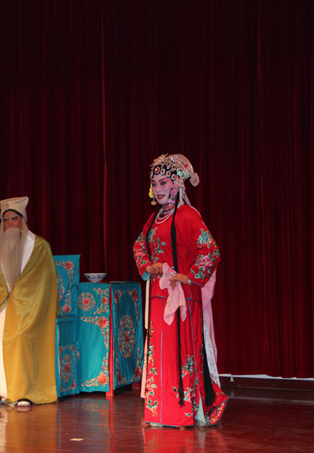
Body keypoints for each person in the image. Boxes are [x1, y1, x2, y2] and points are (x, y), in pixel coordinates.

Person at [133, 154, 228, 427]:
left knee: (182, 352)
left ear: (177, 184)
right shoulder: (153, 219)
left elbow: (210, 250)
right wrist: (148, 266)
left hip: (183, 297)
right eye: (154, 183)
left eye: (163, 182)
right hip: (158, 296)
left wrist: (189, 277)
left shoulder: (188, 215)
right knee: (160, 354)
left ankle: (185, 411)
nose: (158, 189)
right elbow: (139, 245)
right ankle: (161, 412)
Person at [0, 196, 59, 406]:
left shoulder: (40, 246)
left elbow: (42, 284)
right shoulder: (1, 249)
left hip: (31, 309)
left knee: (16, 336)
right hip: (4, 306)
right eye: (5, 220)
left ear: (23, 219)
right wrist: (3, 299)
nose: (10, 224)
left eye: (14, 219)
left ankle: (22, 391)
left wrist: (18, 297)